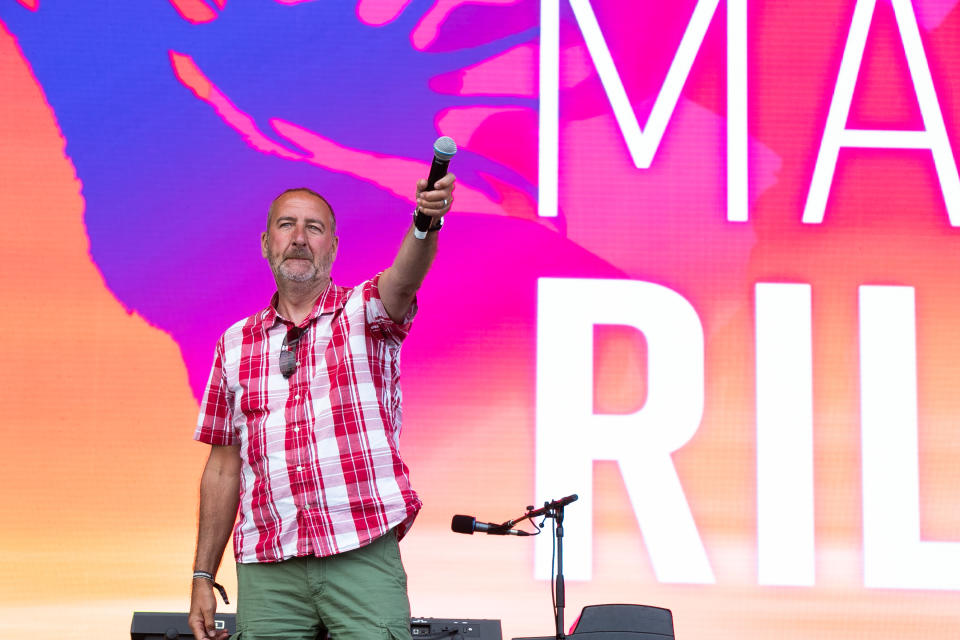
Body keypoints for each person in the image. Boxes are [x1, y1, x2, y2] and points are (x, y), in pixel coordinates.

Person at [187, 173, 456, 640]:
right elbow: (222, 469)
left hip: (360, 546)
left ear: (332, 247)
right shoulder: (233, 343)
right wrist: (202, 576)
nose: (298, 238)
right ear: (266, 243)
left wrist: (425, 223)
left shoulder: (365, 311)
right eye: (286, 225)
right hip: (269, 564)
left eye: (314, 228)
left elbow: (405, 278)